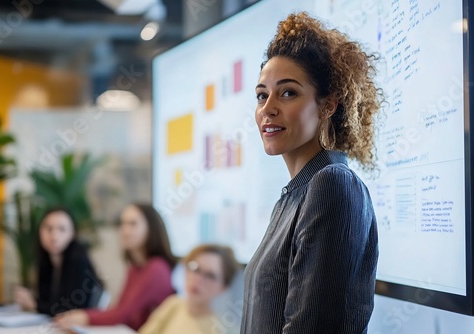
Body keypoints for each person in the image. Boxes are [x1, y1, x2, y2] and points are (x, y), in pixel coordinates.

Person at [240, 12, 381, 334]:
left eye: (288, 92)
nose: (268, 108)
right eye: (262, 95)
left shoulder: (333, 184)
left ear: (328, 105)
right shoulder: (294, 195)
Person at [55, 203, 176, 330]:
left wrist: (85, 317)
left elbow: (123, 313)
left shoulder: (157, 268)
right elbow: (121, 309)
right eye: (122, 223)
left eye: (133, 224)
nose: (124, 230)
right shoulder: (135, 267)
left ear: (151, 228)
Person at [14, 208, 102, 315]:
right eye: (49, 229)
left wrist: (34, 304)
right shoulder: (46, 259)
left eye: (62, 229)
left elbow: (71, 309)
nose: (54, 236)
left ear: (72, 233)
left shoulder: (79, 260)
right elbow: (48, 301)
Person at [139, 244, 241, 334]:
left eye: (210, 276)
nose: (198, 279)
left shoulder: (225, 328)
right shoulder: (174, 304)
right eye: (195, 268)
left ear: (225, 287)